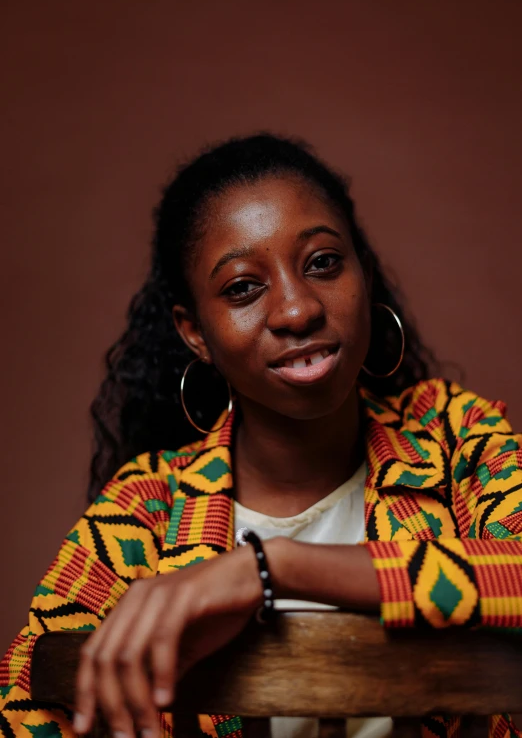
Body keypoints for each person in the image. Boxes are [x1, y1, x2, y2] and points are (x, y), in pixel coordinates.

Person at [1, 134, 521, 738]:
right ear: (195, 333)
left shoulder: (456, 438)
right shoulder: (146, 509)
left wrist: (268, 569)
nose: (297, 310)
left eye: (323, 262)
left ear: (366, 273)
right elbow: (26, 691)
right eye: (243, 287)